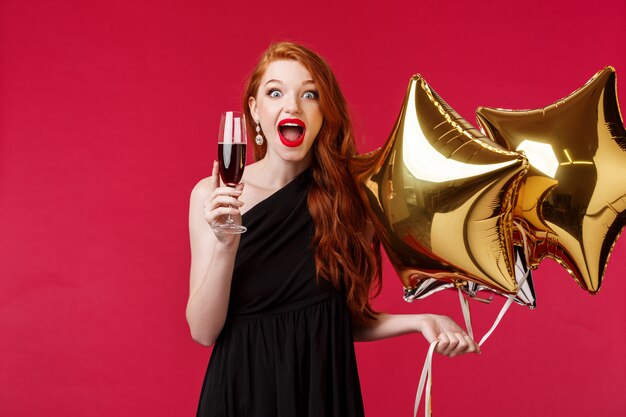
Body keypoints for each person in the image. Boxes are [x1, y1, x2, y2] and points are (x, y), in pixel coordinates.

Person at [187, 42, 480, 417]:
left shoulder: (350, 201)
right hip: (241, 393)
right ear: (255, 111)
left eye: (309, 94)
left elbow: (337, 317)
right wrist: (225, 244)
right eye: (275, 92)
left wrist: (423, 320)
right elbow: (202, 331)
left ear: (323, 113)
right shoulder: (210, 195)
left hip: (322, 393)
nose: (292, 106)